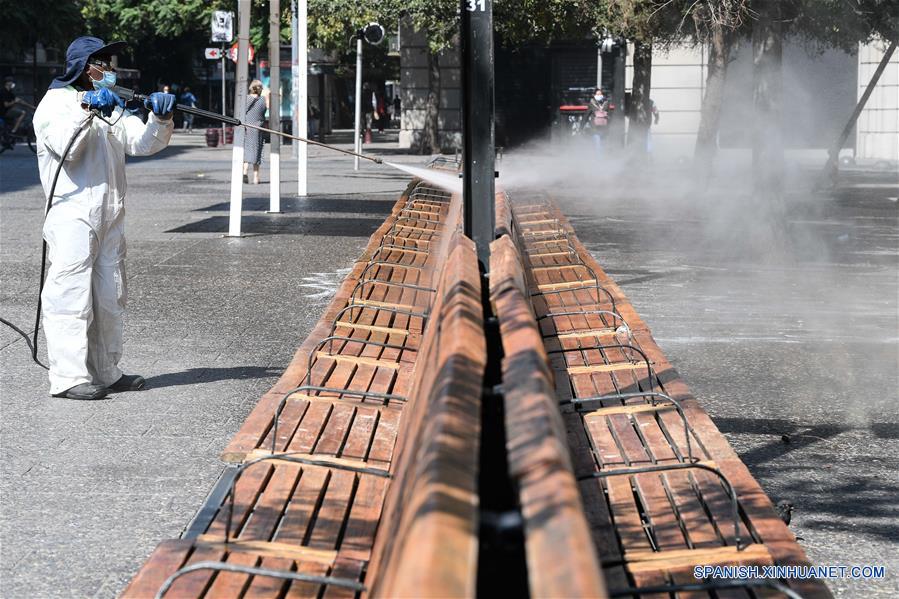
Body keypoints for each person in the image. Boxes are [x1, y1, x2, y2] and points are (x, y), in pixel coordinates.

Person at [32, 36, 174, 400]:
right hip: (72, 214)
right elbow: (67, 149)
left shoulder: (110, 104)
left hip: (110, 214)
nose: (110, 71)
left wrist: (160, 118)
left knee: (111, 296)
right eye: (103, 64)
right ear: (83, 67)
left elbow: (142, 142)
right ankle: (68, 377)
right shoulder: (55, 104)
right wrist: (87, 110)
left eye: (110, 64)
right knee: (71, 295)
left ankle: (106, 371)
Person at [242, 79, 267, 184]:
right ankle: (256, 177)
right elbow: (264, 111)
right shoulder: (262, 100)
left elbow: (242, 112)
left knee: (246, 150)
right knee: (257, 152)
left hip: (247, 127)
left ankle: (244, 172)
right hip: (258, 128)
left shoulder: (246, 99)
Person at [587, 87, 609, 154]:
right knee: (598, 145)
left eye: (600, 94)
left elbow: (609, 115)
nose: (599, 95)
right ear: (594, 95)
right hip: (595, 129)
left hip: (603, 128)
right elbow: (586, 115)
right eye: (597, 94)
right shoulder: (591, 104)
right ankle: (598, 158)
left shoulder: (606, 103)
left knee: (602, 145)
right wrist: (581, 127)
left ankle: (601, 156)